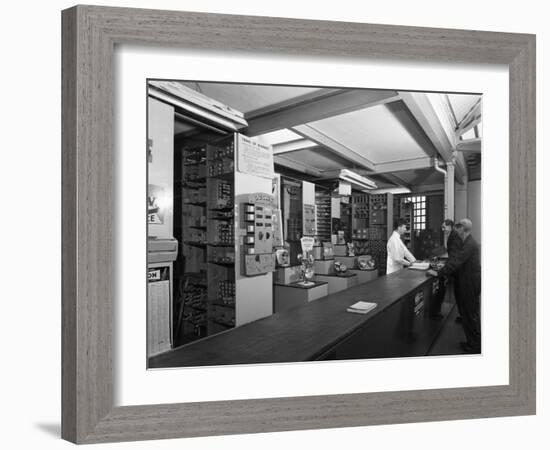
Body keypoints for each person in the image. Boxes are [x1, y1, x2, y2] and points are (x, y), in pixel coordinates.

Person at [428, 218, 481, 353]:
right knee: (470, 313)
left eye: (457, 228)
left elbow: (457, 261)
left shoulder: (469, 244)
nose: (456, 231)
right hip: (470, 280)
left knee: (470, 314)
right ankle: (473, 343)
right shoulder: (468, 242)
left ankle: (474, 346)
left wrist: (438, 273)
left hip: (470, 282)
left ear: (462, 228)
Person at [431, 219, 463, 319]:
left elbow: (453, 258)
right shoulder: (452, 236)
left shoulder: (454, 238)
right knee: (456, 293)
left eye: (444, 227)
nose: (443, 229)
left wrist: (440, 272)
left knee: (458, 293)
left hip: (458, 270)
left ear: (450, 226)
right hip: (456, 268)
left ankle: (463, 316)